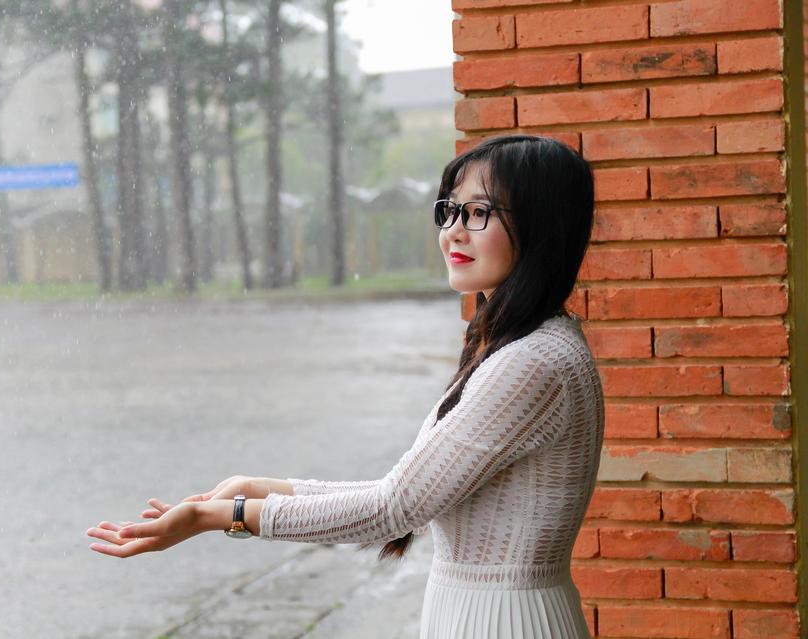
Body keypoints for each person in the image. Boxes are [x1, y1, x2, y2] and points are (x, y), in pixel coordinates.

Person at [86, 133, 603, 639]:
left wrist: (220, 515)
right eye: (448, 211)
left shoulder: (532, 361)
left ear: (541, 226)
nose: (453, 232)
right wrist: (256, 488)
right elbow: (406, 493)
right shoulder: (519, 346)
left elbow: (393, 508)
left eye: (478, 213)